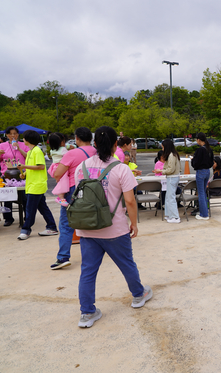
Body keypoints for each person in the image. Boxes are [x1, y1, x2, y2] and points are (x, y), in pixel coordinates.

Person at [75, 126, 152, 328]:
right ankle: (138, 295)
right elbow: (130, 201)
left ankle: (87, 313)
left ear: (94, 144)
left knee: (88, 271)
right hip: (114, 228)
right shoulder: (121, 169)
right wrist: (134, 223)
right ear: (115, 144)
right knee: (126, 263)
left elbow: (79, 196)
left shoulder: (81, 168)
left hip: (88, 227)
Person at [51, 127, 97, 270]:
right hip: (94, 190)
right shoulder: (97, 152)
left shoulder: (71, 154)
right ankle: (96, 252)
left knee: (66, 224)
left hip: (74, 190)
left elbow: (58, 174)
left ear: (77, 138)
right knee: (92, 220)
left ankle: (63, 257)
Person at [15, 130, 58, 240]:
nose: (22, 139)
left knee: (30, 209)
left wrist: (24, 166)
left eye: (23, 138)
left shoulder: (37, 151)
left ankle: (26, 229)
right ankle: (52, 227)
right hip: (32, 185)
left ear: (27, 140)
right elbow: (32, 167)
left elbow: (41, 167)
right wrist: (24, 173)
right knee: (43, 208)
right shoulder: (30, 152)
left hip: (36, 185)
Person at [0, 126, 29, 226]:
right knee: (7, 197)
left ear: (18, 135)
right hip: (7, 174)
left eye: (15, 133)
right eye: (10, 134)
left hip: (22, 174)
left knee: (25, 197)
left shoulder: (23, 144)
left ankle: (27, 216)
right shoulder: (1, 146)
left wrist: (19, 148)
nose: (13, 136)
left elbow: (28, 156)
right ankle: (8, 218)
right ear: (7, 135)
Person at [154, 139, 181, 224]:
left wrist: (161, 171)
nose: (162, 148)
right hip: (172, 177)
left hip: (172, 177)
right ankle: (169, 215)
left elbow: (171, 169)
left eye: (163, 147)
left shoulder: (171, 156)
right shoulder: (173, 154)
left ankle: (175, 217)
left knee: (171, 197)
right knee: (168, 197)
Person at [191, 132, 213, 221]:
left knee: (201, 193)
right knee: (203, 192)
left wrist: (193, 161)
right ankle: (205, 212)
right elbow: (211, 161)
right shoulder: (209, 149)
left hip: (200, 171)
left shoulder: (200, 150)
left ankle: (204, 214)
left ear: (199, 140)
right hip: (207, 171)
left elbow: (196, 163)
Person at [47, 133, 70, 206]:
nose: (64, 143)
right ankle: (61, 197)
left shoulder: (52, 150)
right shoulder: (63, 149)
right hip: (60, 167)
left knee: (60, 182)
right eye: (63, 142)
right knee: (63, 181)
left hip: (54, 167)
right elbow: (69, 155)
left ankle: (61, 196)